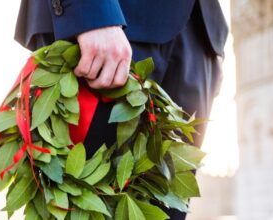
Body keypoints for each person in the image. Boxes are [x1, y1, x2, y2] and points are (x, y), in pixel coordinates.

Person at [14, 0, 228, 219]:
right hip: (108, 25)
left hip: (199, 31)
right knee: (79, 203)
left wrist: (212, 52)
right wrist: (91, 10)